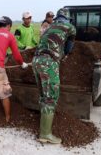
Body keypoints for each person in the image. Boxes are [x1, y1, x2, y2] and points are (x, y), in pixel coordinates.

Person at [32, 8, 76, 144]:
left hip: (36, 61)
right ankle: (45, 134)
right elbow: (69, 48)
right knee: (50, 97)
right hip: (49, 63)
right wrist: (65, 54)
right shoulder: (70, 27)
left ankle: (43, 123)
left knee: (43, 95)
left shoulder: (49, 27)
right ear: (68, 19)